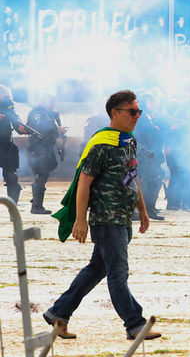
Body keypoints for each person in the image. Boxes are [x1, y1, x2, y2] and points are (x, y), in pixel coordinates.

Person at [45, 90, 162, 341]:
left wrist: (142, 209)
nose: (137, 116)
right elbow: (84, 182)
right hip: (107, 220)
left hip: (122, 217)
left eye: (138, 111)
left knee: (96, 269)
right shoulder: (102, 143)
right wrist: (80, 219)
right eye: (132, 112)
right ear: (114, 113)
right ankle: (135, 324)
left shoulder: (127, 140)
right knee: (118, 275)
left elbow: (132, 176)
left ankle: (59, 313)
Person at [26, 93, 68, 215]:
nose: (53, 106)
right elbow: (37, 127)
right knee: (41, 174)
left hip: (45, 147)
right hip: (38, 147)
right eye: (52, 103)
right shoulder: (36, 113)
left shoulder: (49, 114)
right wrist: (56, 130)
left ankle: (36, 200)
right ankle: (37, 206)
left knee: (42, 174)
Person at [133, 91, 165, 220]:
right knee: (146, 180)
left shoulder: (148, 115)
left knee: (153, 178)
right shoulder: (142, 115)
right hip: (143, 153)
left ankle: (148, 208)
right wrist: (155, 130)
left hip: (148, 153)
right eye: (151, 101)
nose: (154, 103)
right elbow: (144, 133)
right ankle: (144, 209)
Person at [0, 85, 29, 205]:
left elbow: (17, 124)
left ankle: (13, 208)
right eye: (5, 96)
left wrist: (23, 129)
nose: (7, 98)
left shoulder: (9, 108)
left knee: (12, 177)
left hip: (6, 145)